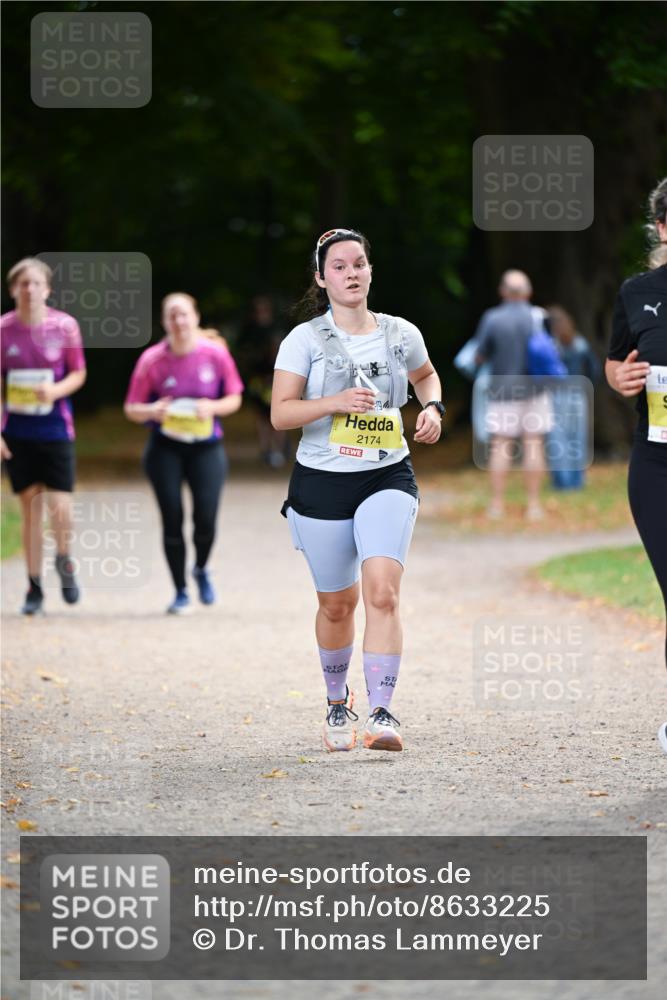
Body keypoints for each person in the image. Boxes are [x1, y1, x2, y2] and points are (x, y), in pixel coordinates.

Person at [271, 228, 444, 752]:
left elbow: (426, 376)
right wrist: (332, 403)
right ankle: (336, 701)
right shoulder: (303, 340)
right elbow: (281, 414)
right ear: (322, 278)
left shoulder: (400, 333)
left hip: (386, 474)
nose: (352, 273)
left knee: (383, 593)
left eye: (360, 264)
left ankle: (383, 712)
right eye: (340, 266)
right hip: (322, 481)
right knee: (338, 604)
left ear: (371, 271)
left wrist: (432, 407)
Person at [124, 292, 244, 614]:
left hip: (206, 448)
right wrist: (152, 410)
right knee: (172, 518)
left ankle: (201, 568)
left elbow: (235, 398)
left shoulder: (215, 354)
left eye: (184, 314)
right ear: (164, 322)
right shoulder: (152, 359)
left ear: (196, 316)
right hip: (165, 450)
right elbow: (132, 408)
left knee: (205, 518)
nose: (178, 321)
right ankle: (179, 591)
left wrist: (212, 407)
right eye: (171, 316)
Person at [606, 177, 667, 754]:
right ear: (662, 229)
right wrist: (620, 378)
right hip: (657, 468)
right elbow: (614, 364)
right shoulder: (637, 292)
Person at [1, 257, 87, 615]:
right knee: (30, 509)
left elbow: (77, 374)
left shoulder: (64, 327)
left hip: (55, 430)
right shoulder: (4, 330)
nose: (30, 289)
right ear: (13, 290)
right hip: (18, 432)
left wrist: (54, 392)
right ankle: (34, 588)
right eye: (23, 283)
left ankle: (64, 558)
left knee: (60, 507)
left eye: (36, 283)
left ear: (47, 290)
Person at [475, 270, 554, 521]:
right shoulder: (540, 316)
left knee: (501, 445)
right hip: (536, 389)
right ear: (528, 292)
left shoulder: (492, 318)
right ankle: (533, 506)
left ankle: (497, 505)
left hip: (503, 391)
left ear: (503, 292)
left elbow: (480, 354)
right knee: (533, 444)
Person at [547, 304, 601, 490]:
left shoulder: (549, 345)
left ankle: (562, 481)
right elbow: (594, 369)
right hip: (577, 394)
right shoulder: (579, 342)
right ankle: (577, 480)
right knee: (578, 437)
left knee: (558, 438)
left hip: (555, 395)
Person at [238, 295, 289, 467]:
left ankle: (280, 448)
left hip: (276, 378)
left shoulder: (277, 328)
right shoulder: (249, 330)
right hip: (258, 380)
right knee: (262, 416)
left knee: (278, 413)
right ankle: (266, 449)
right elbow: (242, 353)